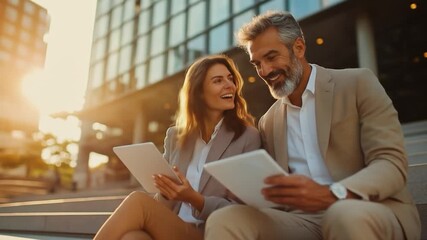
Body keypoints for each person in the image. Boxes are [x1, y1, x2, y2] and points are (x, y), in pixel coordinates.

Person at [204, 11, 421, 240]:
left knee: (343, 214)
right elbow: (276, 193)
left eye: (271, 57)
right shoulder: (269, 122)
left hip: (367, 207)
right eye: (257, 64)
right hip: (303, 220)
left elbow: (391, 163)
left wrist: (332, 194)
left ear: (298, 48)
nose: (264, 71)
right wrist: (249, 193)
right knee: (226, 219)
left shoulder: (358, 83)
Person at [93, 54, 261, 240]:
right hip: (174, 226)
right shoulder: (175, 136)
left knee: (137, 201)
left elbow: (245, 210)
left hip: (212, 232)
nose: (230, 85)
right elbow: (163, 201)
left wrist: (194, 199)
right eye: (218, 80)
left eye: (230, 79)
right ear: (198, 92)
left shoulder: (247, 137)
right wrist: (167, 191)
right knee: (132, 237)